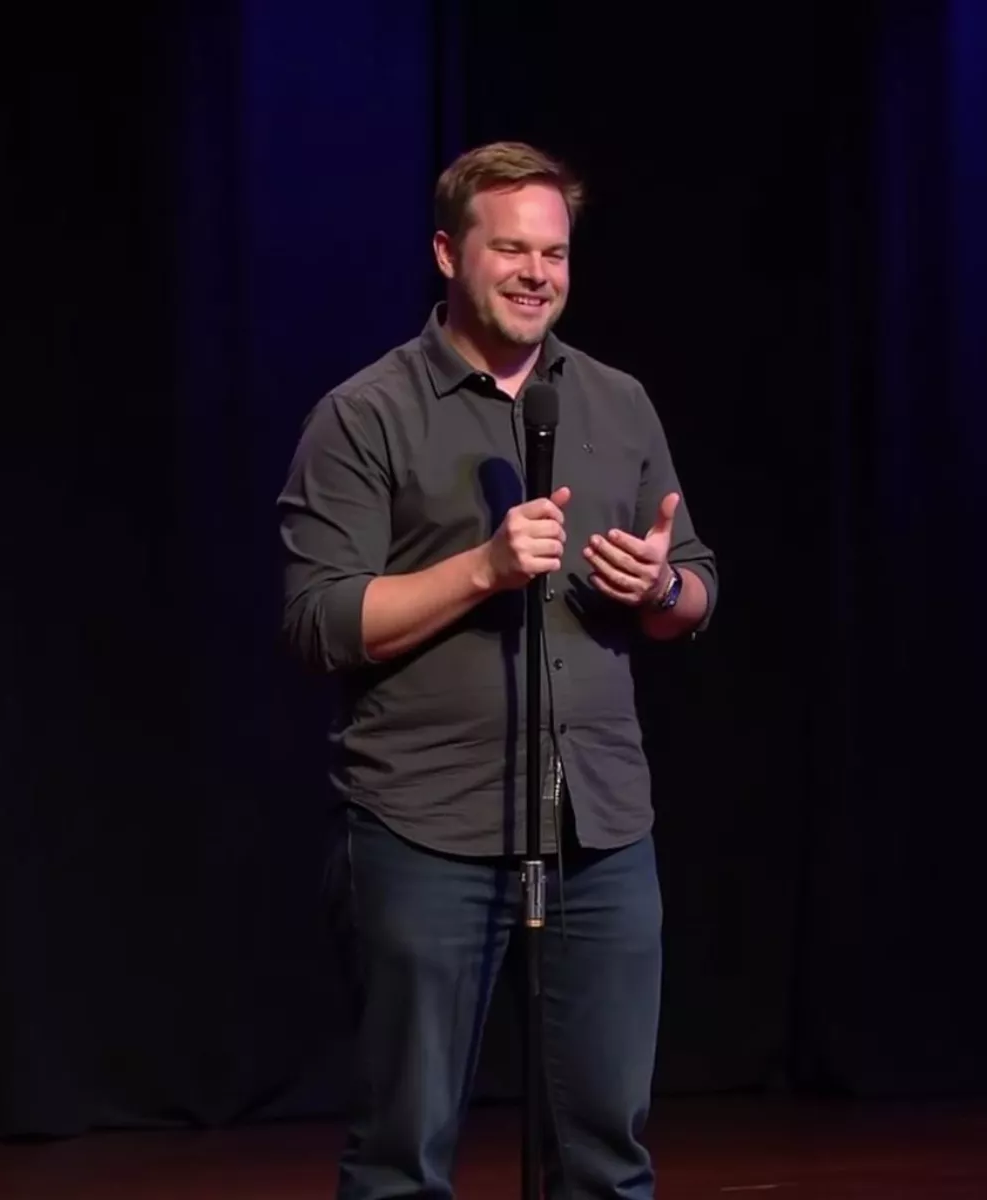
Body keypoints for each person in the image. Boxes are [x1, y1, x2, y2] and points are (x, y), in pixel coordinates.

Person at [277, 141, 718, 1200]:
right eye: (510, 249)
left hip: (599, 829)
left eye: (554, 253)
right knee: (402, 1156)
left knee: (608, 1152)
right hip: (428, 827)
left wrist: (659, 589)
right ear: (447, 253)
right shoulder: (366, 413)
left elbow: (697, 590)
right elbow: (318, 620)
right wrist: (478, 569)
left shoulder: (619, 402)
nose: (536, 274)